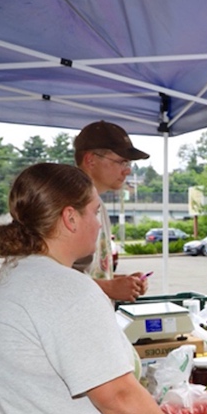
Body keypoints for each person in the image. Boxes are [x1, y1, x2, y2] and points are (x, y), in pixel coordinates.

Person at [0, 163, 207, 414]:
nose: (99, 223)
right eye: (95, 211)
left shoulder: (20, 270)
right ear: (70, 218)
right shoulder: (65, 288)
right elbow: (118, 396)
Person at [73, 120, 149, 302]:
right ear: (90, 160)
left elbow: (87, 275)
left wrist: (121, 282)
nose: (128, 171)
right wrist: (109, 288)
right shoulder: (69, 207)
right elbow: (54, 278)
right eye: (122, 162)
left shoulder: (99, 207)